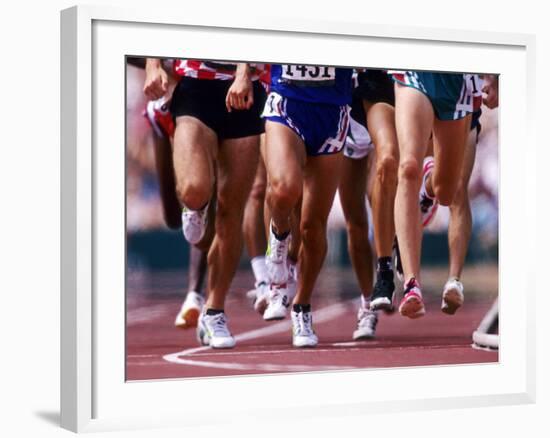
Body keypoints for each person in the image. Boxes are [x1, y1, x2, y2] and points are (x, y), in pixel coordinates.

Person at [144, 59, 267, 348]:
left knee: (231, 211)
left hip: (246, 90)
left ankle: (214, 311)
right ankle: (195, 207)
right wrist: (153, 65)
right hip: (197, 85)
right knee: (193, 189)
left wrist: (243, 72)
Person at [262, 64, 352, 347]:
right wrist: (242, 73)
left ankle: (302, 306)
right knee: (285, 188)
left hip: (332, 110)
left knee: (313, 227)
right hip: (286, 99)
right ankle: (277, 243)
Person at [391, 71, 474, 318]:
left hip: (457, 81)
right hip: (413, 71)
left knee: (447, 192)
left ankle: (428, 186)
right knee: (407, 168)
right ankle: (411, 285)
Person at [338, 78, 379, 339]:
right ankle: (368, 305)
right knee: (355, 220)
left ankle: (390, 265)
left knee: (382, 192)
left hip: (381, 96)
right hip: (343, 107)